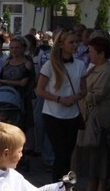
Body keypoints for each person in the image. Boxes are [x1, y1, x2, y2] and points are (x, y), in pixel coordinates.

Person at [36, 30, 86, 182]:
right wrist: (59, 99)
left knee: (68, 153)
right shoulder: (49, 65)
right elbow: (39, 90)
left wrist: (75, 97)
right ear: (61, 45)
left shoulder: (80, 65)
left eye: (76, 42)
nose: (75, 45)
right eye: (71, 42)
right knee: (60, 152)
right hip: (53, 115)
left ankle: (64, 185)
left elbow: (84, 90)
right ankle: (57, 187)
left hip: (72, 115)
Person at [73, 37, 110, 191]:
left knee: (101, 154)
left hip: (100, 120)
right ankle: (91, 188)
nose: (88, 54)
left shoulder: (107, 71)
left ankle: (101, 189)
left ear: (101, 53)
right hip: (88, 117)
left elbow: (97, 95)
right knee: (91, 155)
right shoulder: (93, 68)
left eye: (91, 51)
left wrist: (81, 93)